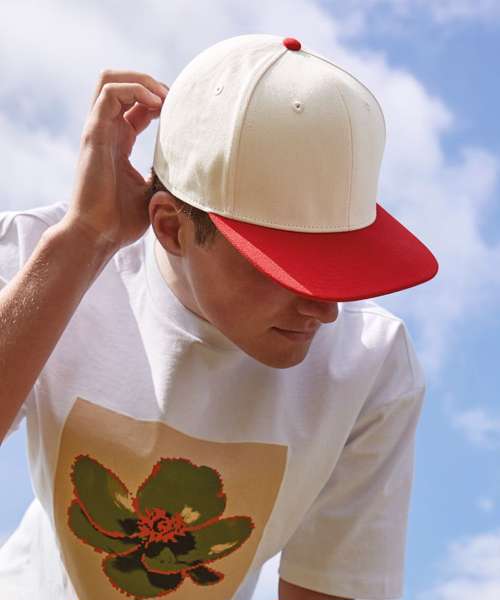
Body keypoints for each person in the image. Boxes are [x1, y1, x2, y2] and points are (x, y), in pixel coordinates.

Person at [0, 34, 438, 600]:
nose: (325, 309)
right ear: (171, 228)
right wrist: (84, 238)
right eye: (287, 269)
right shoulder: (46, 259)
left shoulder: (370, 363)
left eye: (340, 266)